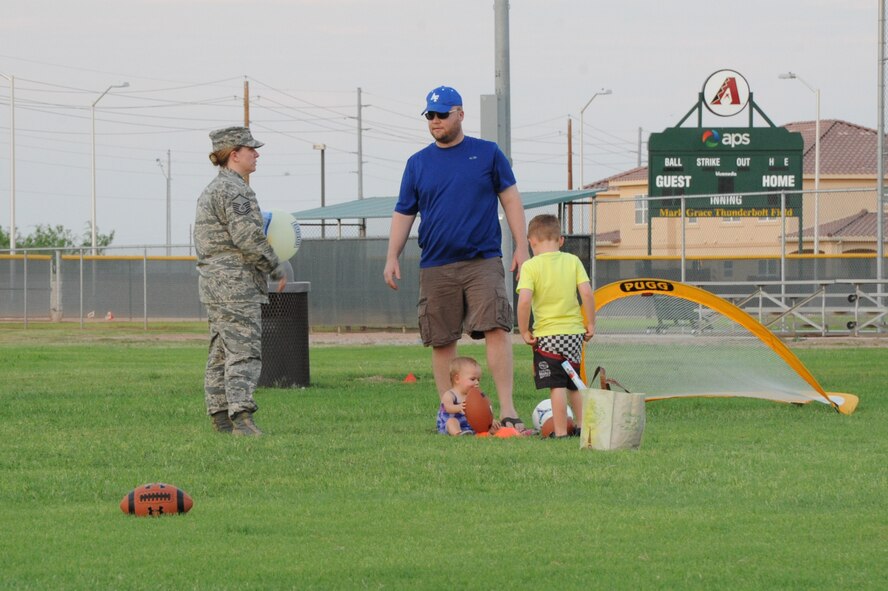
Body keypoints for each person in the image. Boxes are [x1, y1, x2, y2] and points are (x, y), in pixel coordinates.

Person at [383, 85, 530, 432]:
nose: (435, 121)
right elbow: (404, 213)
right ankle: (451, 413)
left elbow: (510, 199)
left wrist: (522, 246)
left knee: (496, 327)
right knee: (441, 337)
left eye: (442, 114)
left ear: (460, 114)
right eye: (430, 115)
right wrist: (392, 255)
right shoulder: (417, 164)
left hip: (483, 260)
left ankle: (507, 409)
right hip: (436, 264)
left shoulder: (487, 153)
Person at [194, 126, 287, 436]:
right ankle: (242, 418)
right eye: (251, 150)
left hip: (214, 285)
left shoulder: (212, 189)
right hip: (237, 286)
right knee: (243, 351)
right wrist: (276, 266)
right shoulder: (236, 190)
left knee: (220, 351)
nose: (257, 154)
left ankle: (220, 417)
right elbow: (248, 237)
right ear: (235, 154)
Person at [516, 214, 596, 438]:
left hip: (548, 337)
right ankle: (581, 426)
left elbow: (524, 302)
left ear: (531, 242)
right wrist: (590, 322)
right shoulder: (573, 261)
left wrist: (523, 330)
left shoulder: (530, 267)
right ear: (560, 240)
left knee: (556, 385)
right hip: (573, 334)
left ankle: (560, 432)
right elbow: (587, 294)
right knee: (574, 382)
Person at [436, 356, 485, 436]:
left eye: (478, 379)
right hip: (448, 425)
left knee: (484, 423)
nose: (477, 383)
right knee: (452, 421)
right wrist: (459, 407)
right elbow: (448, 407)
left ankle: (482, 431)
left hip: (468, 424)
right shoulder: (450, 394)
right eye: (473, 379)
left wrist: (489, 419)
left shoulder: (475, 395)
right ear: (457, 379)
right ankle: (458, 433)